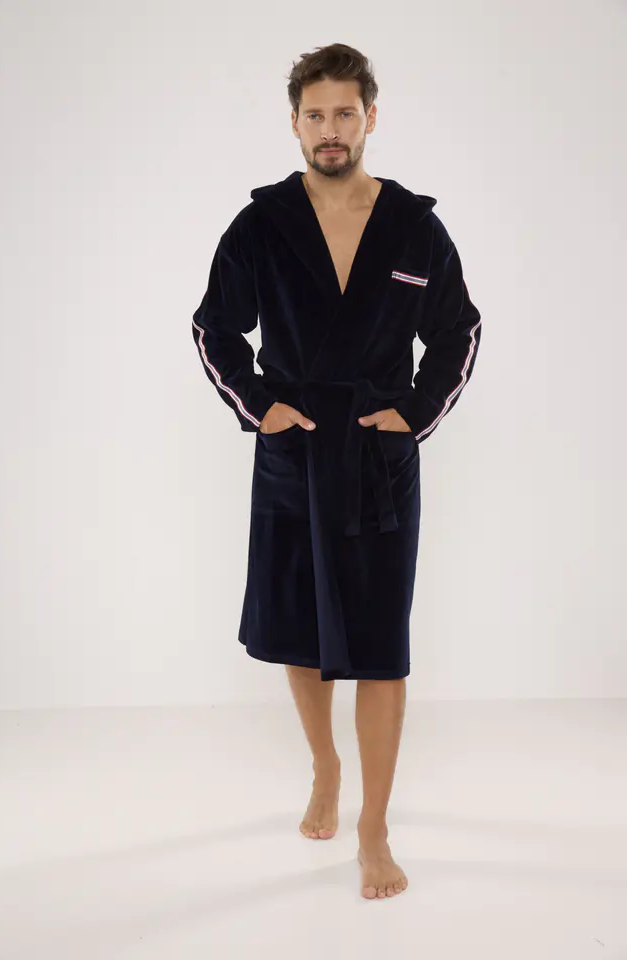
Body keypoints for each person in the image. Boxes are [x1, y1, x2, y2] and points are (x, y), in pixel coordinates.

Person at [191, 43, 482, 900]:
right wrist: (260, 405)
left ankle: (374, 827)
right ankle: (324, 766)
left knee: (383, 647)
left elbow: (459, 330)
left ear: (370, 118)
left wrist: (417, 413)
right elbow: (213, 328)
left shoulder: (413, 226)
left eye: (344, 114)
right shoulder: (263, 224)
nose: (330, 129)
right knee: (301, 629)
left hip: (379, 462)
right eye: (314, 115)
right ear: (294, 123)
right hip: (294, 452)